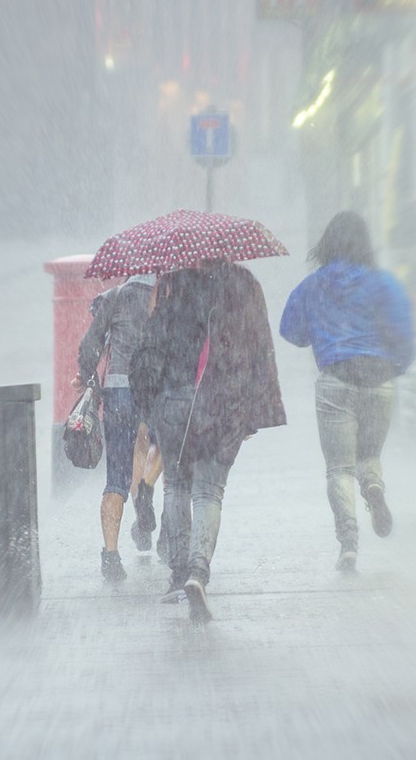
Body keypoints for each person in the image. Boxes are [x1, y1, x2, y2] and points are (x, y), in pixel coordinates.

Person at [130, 259, 285, 622]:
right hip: (220, 402)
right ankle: (198, 572)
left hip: (173, 401)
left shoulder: (173, 286)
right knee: (209, 491)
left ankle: (178, 573)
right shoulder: (242, 286)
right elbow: (260, 347)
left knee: (177, 488)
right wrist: (257, 408)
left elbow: (151, 347)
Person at [279, 212, 416, 573]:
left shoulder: (313, 286)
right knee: (369, 453)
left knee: (338, 468)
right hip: (378, 379)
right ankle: (372, 487)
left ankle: (349, 544)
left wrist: (321, 333)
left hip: (335, 379)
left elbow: (290, 330)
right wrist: (396, 366)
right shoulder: (383, 284)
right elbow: (403, 331)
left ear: (327, 244)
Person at [74, 274, 156, 581]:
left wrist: (86, 376)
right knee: (153, 448)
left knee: (116, 478)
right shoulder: (167, 293)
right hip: (154, 389)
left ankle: (110, 555)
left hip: (119, 390)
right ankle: (146, 488)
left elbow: (90, 344)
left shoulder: (116, 296)